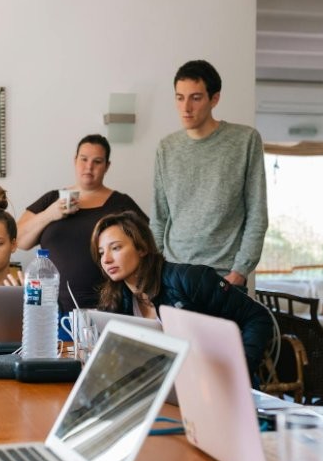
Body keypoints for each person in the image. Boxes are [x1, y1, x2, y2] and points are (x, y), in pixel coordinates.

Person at [91, 211, 272, 378]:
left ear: (142, 248)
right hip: (171, 386)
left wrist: (239, 371)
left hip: (219, 382)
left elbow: (258, 317)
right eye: (101, 253)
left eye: (115, 248)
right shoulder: (117, 300)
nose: (106, 259)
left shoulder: (190, 279)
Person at [151, 60, 267, 289]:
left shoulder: (244, 140)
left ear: (214, 99)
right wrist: (154, 270)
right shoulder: (167, 147)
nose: (186, 108)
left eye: (195, 98)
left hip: (224, 277)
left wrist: (240, 271)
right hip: (173, 274)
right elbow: (159, 218)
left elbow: (257, 213)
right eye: (179, 97)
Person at [17, 134, 147, 314]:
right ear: (75, 160)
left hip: (109, 307)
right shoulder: (52, 199)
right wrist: (49, 214)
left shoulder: (121, 203)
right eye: (84, 159)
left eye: (97, 161)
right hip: (50, 309)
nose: (89, 166)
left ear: (107, 166)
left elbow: (147, 246)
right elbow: (19, 240)